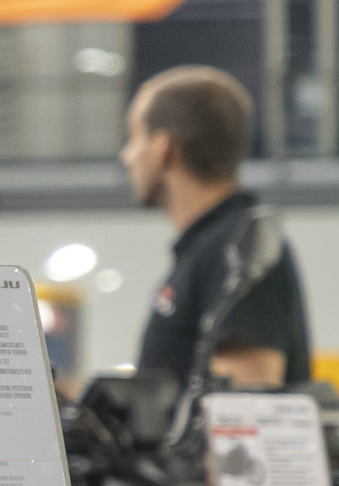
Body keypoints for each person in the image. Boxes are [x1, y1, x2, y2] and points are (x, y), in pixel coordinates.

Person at [122, 65, 310, 395]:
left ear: (162, 148)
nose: (127, 157)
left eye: (135, 138)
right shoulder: (209, 246)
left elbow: (246, 405)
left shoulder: (241, 248)